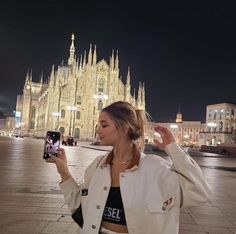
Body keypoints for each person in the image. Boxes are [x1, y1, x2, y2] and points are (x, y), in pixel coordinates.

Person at [47, 101, 212, 234]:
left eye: (104, 125)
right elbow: (79, 209)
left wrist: (173, 149)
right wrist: (63, 170)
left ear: (125, 128)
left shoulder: (155, 169)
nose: (97, 130)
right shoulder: (97, 166)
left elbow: (200, 192)